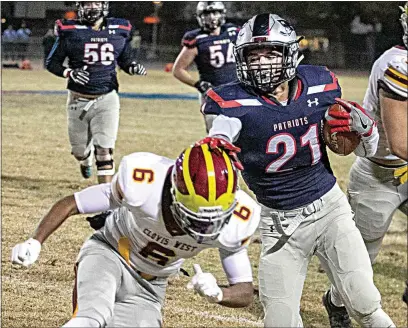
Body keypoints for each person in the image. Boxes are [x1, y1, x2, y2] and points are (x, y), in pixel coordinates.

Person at [198, 13, 396, 328]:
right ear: (241, 58)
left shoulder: (321, 83)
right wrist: (217, 145)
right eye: (254, 54)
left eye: (271, 52)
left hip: (330, 211)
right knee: (279, 320)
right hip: (279, 224)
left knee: (365, 302)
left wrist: (368, 133)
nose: (262, 62)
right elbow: (220, 142)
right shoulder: (229, 102)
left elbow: (365, 150)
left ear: (290, 53)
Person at [11, 144, 261, 327]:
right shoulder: (145, 184)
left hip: (150, 285)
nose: (204, 223)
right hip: (109, 254)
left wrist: (219, 293)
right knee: (90, 318)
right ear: (175, 193)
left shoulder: (239, 220)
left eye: (214, 216)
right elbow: (73, 203)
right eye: (195, 213)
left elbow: (244, 291)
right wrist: (35, 240)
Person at [325, 3, 408, 325]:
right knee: (361, 262)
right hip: (381, 173)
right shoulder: (398, 64)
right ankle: (336, 302)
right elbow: (400, 144)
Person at [46, 1, 147, 183]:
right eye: (87, 3)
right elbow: (51, 63)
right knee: (79, 151)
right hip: (78, 99)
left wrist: (132, 66)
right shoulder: (70, 30)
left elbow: (125, 59)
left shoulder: (119, 29)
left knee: (105, 149)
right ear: (80, 6)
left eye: (96, 2)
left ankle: (105, 199)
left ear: (104, 5)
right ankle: (85, 159)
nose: (92, 7)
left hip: (107, 97)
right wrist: (70, 72)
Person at [172, 1, 239, 132]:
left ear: (222, 14)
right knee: (217, 137)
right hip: (213, 94)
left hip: (238, 91)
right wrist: (198, 84)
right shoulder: (197, 39)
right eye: (207, 14)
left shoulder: (234, 32)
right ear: (200, 16)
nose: (212, 17)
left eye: (215, 12)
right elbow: (178, 69)